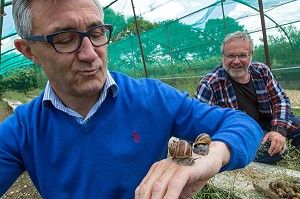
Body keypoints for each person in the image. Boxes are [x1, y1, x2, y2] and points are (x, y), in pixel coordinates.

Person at [0, 1, 263, 198]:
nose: (91, 54)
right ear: (29, 50)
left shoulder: (154, 99)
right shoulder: (22, 129)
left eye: (96, 33)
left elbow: (244, 124)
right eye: (65, 39)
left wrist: (215, 153)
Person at [195, 31, 300, 165]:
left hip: (266, 122)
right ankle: (275, 149)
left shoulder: (262, 71)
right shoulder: (210, 84)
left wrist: (279, 131)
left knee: (293, 129)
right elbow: (199, 122)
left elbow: (280, 100)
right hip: (240, 132)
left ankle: (276, 142)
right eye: (231, 56)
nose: (236, 61)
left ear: (251, 55)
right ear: (223, 56)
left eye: (243, 55)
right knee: (273, 152)